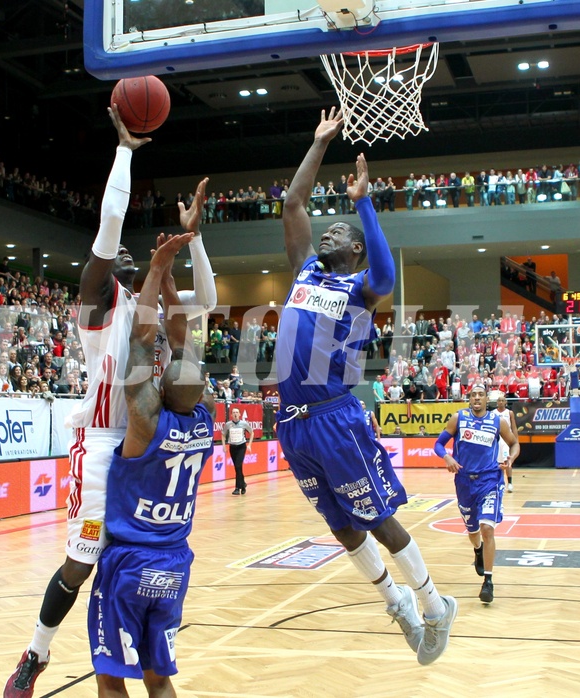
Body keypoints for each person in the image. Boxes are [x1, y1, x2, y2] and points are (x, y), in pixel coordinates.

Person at [4, 106, 217, 698]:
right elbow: (107, 227)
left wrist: (192, 242)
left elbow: (206, 300)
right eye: (115, 257)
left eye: (131, 256)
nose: (120, 254)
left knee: (136, 570)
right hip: (101, 450)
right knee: (82, 561)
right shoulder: (99, 309)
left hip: (146, 452)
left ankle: (142, 666)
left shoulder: (153, 306)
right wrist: (124, 152)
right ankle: (36, 654)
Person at [275, 108, 457, 667]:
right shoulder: (306, 272)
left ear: (355, 250)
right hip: (292, 424)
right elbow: (292, 205)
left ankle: (433, 603)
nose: (328, 231)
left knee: (376, 518)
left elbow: (385, 275)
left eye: (342, 232)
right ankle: (398, 605)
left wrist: (363, 203)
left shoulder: (361, 288)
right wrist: (319, 143)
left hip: (334, 417)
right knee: (343, 528)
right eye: (328, 228)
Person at [87, 232, 216, 696]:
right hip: (175, 562)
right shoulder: (205, 422)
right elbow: (182, 346)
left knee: (111, 677)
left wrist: (159, 266)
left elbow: (144, 337)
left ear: (160, 388)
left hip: (129, 562)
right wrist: (166, 287)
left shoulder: (144, 421)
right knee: (157, 678)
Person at [434, 384, 519, 604]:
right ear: (469, 399)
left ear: (486, 399)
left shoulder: (497, 421)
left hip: (490, 480)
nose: (477, 398)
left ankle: (488, 582)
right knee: (473, 532)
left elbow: (514, 443)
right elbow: (438, 444)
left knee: (487, 528)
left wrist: (510, 459)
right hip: (464, 481)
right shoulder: (458, 419)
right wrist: (447, 458)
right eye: (474, 395)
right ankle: (478, 549)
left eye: (481, 394)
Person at [222, 406, 254, 495]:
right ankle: (243, 485)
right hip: (232, 447)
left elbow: (252, 432)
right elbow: (223, 434)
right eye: (233, 412)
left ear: (239, 414)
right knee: (237, 467)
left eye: (237, 412)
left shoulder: (244, 424)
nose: (235, 414)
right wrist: (224, 446)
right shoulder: (228, 424)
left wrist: (250, 445)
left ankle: (237, 488)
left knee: (238, 465)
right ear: (231, 414)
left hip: (241, 446)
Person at [494, 393, 518, 492]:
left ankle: (510, 483)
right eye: (499, 400)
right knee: (496, 463)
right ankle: (499, 483)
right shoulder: (493, 413)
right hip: (497, 439)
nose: (501, 402)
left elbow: (513, 426)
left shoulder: (509, 413)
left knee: (507, 461)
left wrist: (515, 439)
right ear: (497, 402)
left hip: (506, 440)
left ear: (506, 402)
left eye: (503, 400)